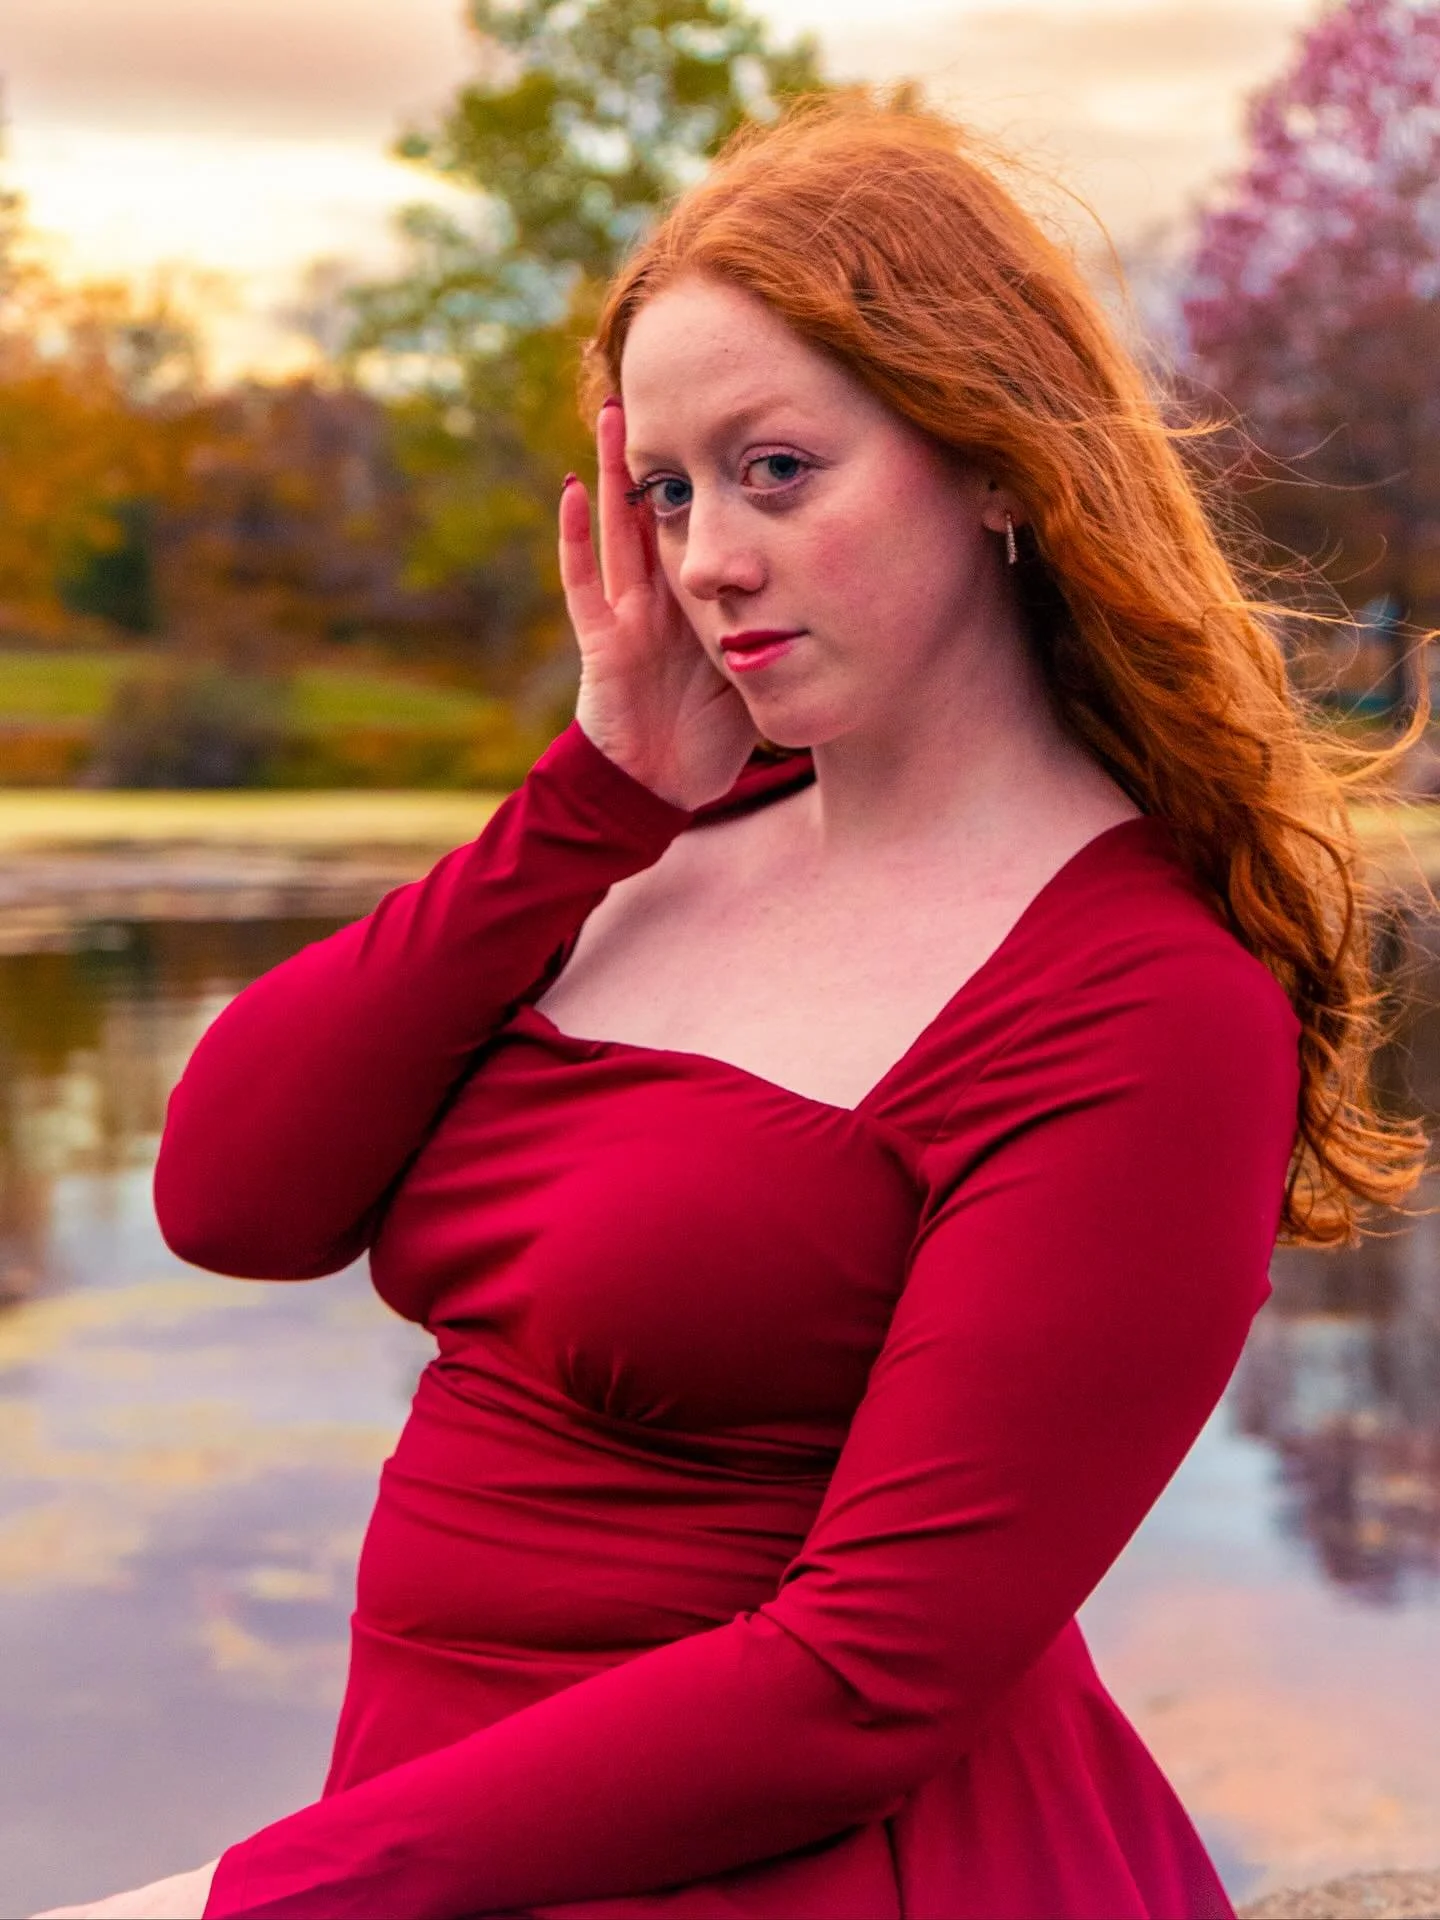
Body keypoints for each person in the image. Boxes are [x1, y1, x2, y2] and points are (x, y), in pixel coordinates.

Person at [35, 91, 1425, 1920]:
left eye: (777, 471)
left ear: (997, 463)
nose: (706, 557)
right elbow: (233, 1200)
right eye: (666, 492)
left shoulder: (1149, 1005)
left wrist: (248, 1897)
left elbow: (865, 1681)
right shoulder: (652, 845)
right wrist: (590, 798)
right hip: (438, 1851)